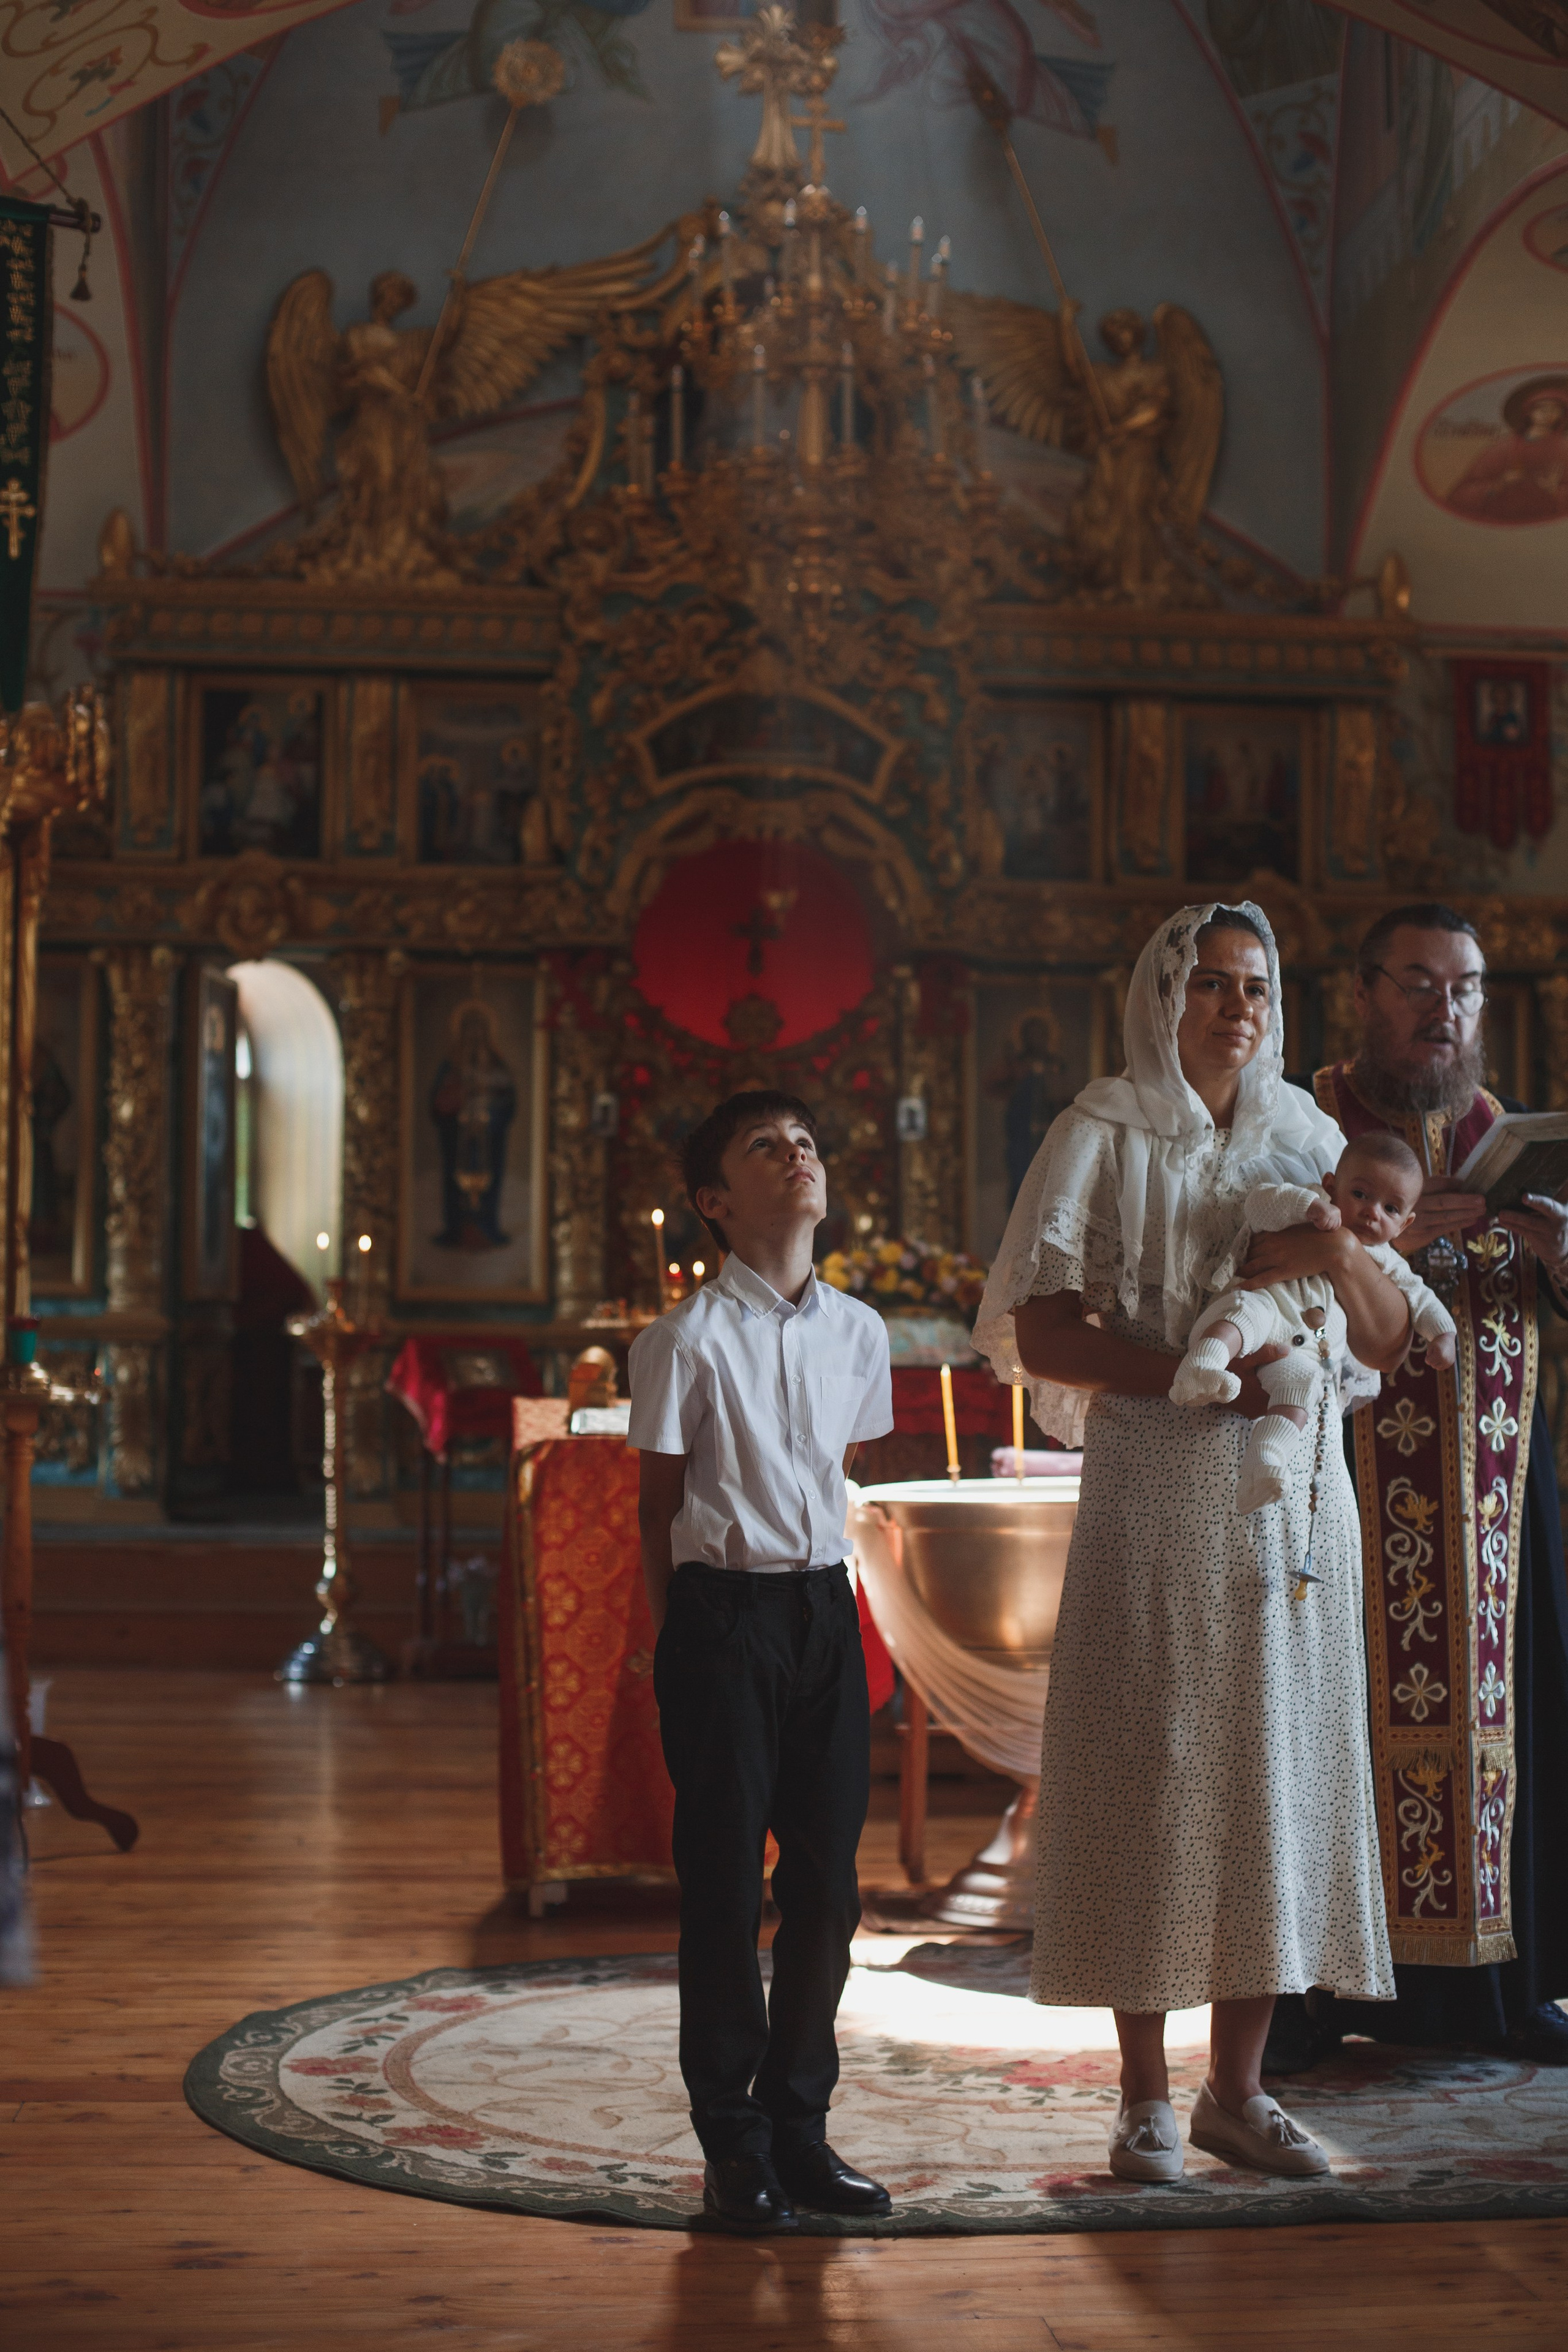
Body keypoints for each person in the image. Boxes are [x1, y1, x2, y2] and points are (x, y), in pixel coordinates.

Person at [974, 902, 1409, 2185]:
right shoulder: (1098, 1131)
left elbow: (1381, 1340)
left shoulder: (1310, 1140)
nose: (1235, 1008)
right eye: (1209, 984)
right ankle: (1140, 2097)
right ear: (1159, 997)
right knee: (1153, 1763)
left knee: (1266, 1770)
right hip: (1161, 1469)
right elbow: (1042, 1338)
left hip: (1293, 1487)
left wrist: (1333, 1246)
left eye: (1256, 988)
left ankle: (1237, 2091)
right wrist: (1196, 1371)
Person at [1267, 903, 1568, 2069]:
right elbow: (1248, 1274)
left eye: (1467, 987)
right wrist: (1377, 1251)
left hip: (1497, 1500)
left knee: (1507, 1727)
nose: (1444, 1008)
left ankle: (1506, 1990)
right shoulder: (1303, 1127)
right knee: (1322, 1726)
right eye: (1419, 984)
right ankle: (1307, 1996)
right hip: (1333, 1484)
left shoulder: (1510, 1135)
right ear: (1364, 991)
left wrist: (1554, 1252)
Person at [628, 1090, 894, 2233]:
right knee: (728, 1886)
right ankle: (729, 2143)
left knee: (827, 1888)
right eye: (764, 1148)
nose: (798, 1158)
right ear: (712, 1201)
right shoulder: (681, 1342)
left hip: (823, 1614)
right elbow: (655, 1511)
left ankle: (801, 2129)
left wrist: (834, 1619)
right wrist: (674, 1644)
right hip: (721, 1622)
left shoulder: (862, 1333)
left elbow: (832, 1474)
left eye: (807, 1144)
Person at [1172, 1133, 1456, 1515]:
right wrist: (1308, 1207)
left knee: (1305, 1386)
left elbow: (1420, 1298)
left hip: (1305, 1347)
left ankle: (1267, 1459)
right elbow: (1259, 1206)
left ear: (1405, 1224)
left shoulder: (1385, 1259)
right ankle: (1202, 1366)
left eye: (1390, 1208)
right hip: (1269, 1302)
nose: (1373, 1212)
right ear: (1330, 1185)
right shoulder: (1313, 1202)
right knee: (1242, 1313)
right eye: (1360, 1195)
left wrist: (1443, 1335)